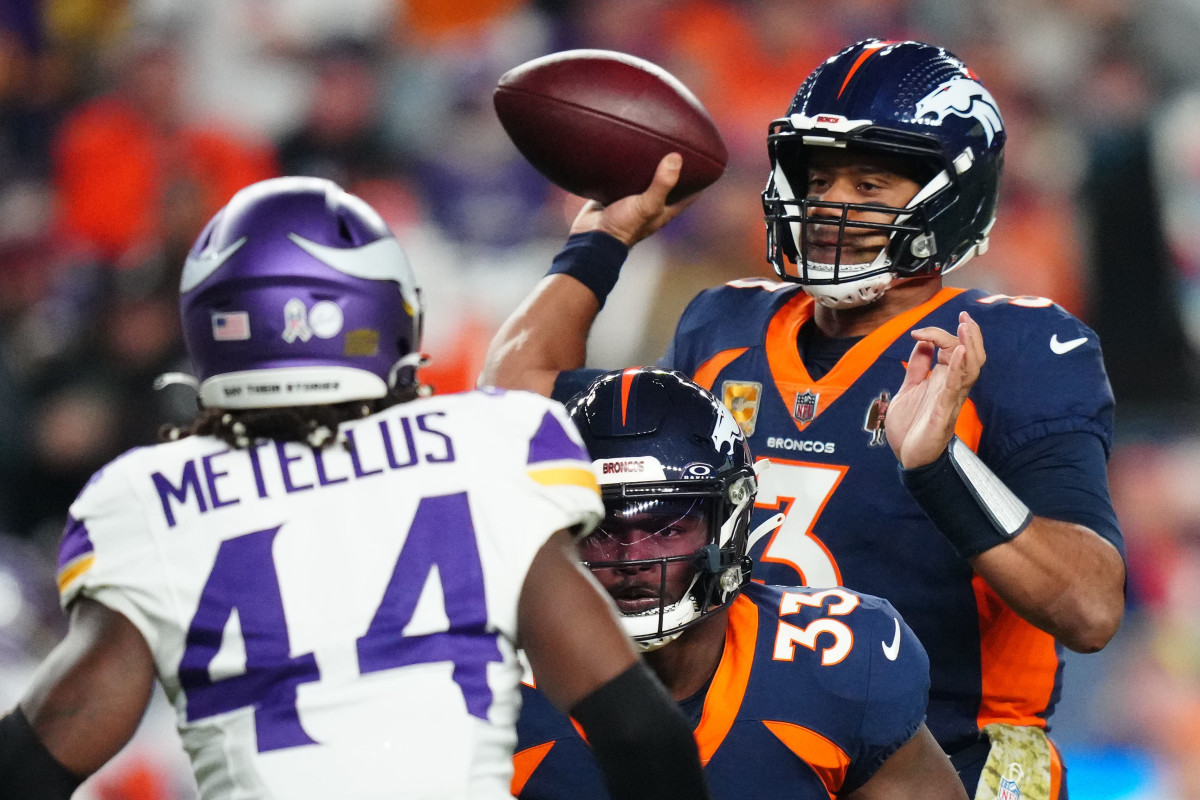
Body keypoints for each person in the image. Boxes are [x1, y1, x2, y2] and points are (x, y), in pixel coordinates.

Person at [480, 39, 1127, 799]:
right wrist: (603, 237)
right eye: (818, 179)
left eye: (871, 182)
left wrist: (941, 467)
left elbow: (1090, 609)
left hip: (947, 753)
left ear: (951, 193)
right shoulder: (725, 324)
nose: (830, 205)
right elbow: (515, 406)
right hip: (764, 737)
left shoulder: (1012, 345)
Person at [0, 176, 713, 800]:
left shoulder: (148, 497)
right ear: (383, 316)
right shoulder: (488, 445)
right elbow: (637, 731)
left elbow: (42, 754)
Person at [513, 366, 967, 800]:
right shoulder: (496, 686)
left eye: (667, 528)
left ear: (728, 523)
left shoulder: (836, 658)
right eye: (601, 529)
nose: (633, 558)